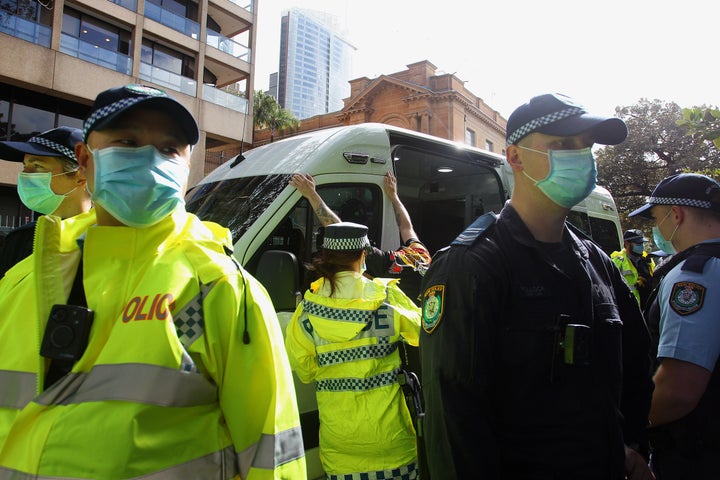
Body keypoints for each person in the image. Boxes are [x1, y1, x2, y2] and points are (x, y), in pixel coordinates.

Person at [0, 84, 306, 479]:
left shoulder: (217, 285)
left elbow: (272, 457)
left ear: (186, 166)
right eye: (127, 141)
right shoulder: (23, 277)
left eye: (169, 149)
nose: (149, 160)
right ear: (84, 159)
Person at [419, 93, 655, 480]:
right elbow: (454, 421)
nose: (581, 156)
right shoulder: (472, 265)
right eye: (562, 144)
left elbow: (635, 362)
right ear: (515, 156)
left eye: (586, 146)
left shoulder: (596, 262)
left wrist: (630, 445)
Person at [284, 222, 421, 480]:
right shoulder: (387, 297)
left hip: (340, 448)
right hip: (392, 442)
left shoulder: (307, 312)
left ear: (325, 257)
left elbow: (304, 371)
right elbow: (424, 334)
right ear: (363, 254)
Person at [628, 173, 720, 479]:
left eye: (656, 218)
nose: (656, 229)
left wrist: (625, 428)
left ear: (676, 214)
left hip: (697, 456)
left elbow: (680, 387)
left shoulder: (694, 275)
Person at [289, 171, 431, 303]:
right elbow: (407, 228)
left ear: (362, 256)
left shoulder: (383, 262)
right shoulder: (423, 257)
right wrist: (393, 196)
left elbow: (343, 232)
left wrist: (311, 194)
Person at [0, 127, 90, 276]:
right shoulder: (19, 239)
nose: (25, 175)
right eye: (25, 165)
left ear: (80, 176)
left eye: (37, 166)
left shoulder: (103, 240)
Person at [611, 229, 655, 308]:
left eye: (642, 243)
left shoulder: (648, 260)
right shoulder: (617, 262)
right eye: (638, 243)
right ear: (627, 244)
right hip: (629, 308)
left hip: (648, 306)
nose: (642, 246)